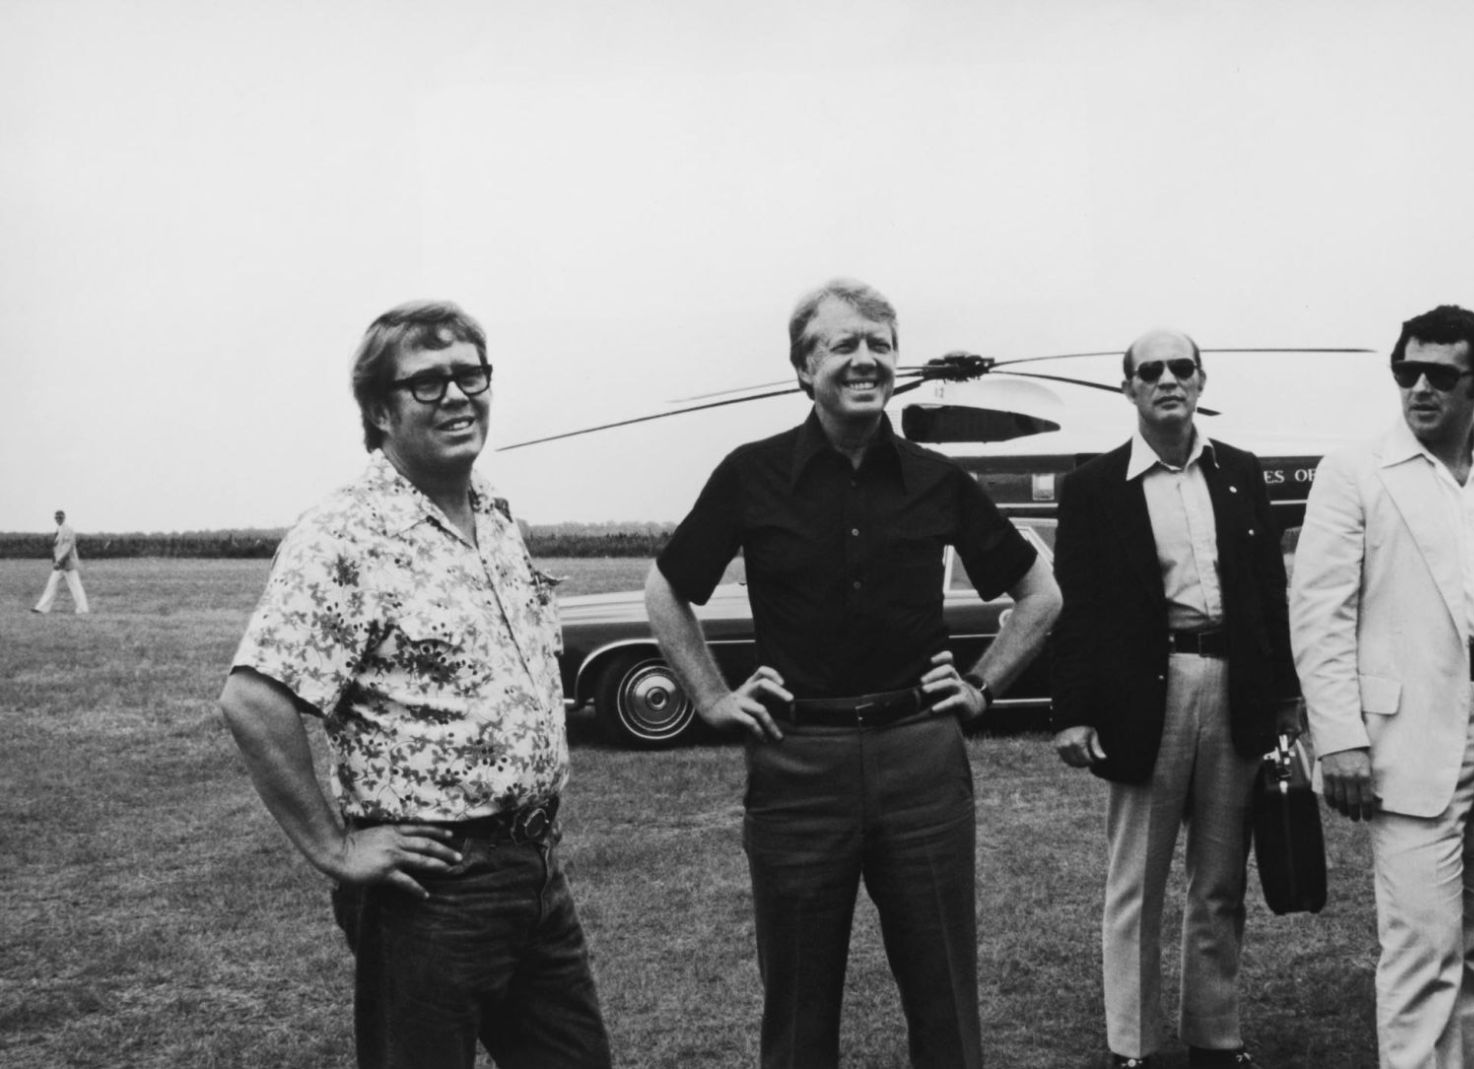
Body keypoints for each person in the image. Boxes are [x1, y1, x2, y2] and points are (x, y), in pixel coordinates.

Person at [644, 278, 1062, 1069]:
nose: (866, 359)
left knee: (944, 992)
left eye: (880, 344)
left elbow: (1041, 593)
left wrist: (980, 685)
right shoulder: (751, 473)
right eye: (844, 345)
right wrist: (710, 697)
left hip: (921, 757)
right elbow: (666, 588)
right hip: (797, 762)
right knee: (798, 1005)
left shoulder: (939, 479)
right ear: (804, 368)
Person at [218, 301, 612, 1069]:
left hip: (533, 871)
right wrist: (335, 846)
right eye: (427, 383)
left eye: (470, 374)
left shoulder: (492, 511)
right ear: (379, 409)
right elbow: (252, 698)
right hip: (428, 887)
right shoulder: (346, 532)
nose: (458, 395)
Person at [1291, 305, 1474, 1069]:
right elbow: (1320, 617)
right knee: (1421, 945)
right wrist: (1341, 736)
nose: (1419, 387)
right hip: (1401, 733)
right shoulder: (1355, 471)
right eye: (1406, 371)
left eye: (1440, 375)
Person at [1049, 330, 1299, 1069]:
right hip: (1143, 695)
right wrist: (1073, 710)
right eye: (1149, 370)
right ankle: (1135, 1042)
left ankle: (1214, 1034)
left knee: (1220, 878)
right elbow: (1077, 608)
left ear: (1200, 380)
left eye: (1180, 367)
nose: (1167, 379)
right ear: (1128, 388)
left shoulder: (1240, 472)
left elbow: (1266, 595)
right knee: (1139, 879)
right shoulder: (1094, 488)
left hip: (1234, 687)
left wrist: (1285, 696)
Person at [32, 509, 89, 614]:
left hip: (67, 564)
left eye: (60, 517)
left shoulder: (68, 530)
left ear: (64, 518)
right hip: (60, 565)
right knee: (51, 585)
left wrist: (59, 561)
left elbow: (67, 547)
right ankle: (41, 608)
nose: (58, 519)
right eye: (57, 517)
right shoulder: (59, 529)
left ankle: (83, 609)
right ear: (54, 518)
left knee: (76, 587)